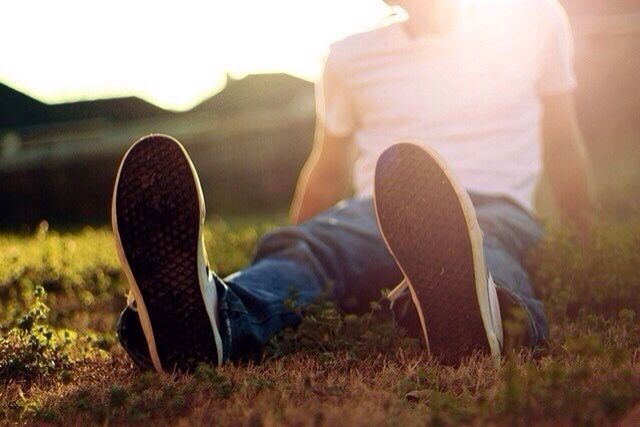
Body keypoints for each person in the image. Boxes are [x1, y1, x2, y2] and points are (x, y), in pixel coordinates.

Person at [113, 0, 591, 373]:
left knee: (488, 251)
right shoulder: (348, 55)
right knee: (308, 255)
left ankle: (488, 311)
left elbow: (563, 139)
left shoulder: (533, 19)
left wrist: (583, 234)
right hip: (373, 213)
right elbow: (326, 168)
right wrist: (303, 241)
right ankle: (214, 316)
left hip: (495, 205)